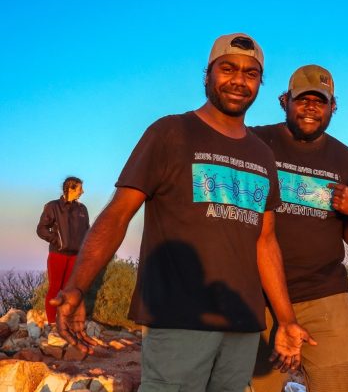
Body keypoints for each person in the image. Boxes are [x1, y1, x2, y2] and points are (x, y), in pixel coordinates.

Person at [50, 33, 314, 391]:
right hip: (178, 317)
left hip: (242, 322)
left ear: (260, 83)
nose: (239, 80)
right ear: (207, 75)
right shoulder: (170, 133)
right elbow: (118, 215)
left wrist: (286, 320)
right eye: (228, 68)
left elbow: (265, 241)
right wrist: (77, 286)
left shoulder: (261, 154)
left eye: (251, 73)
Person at [249, 64, 348, 392]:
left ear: (333, 107)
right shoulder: (256, 142)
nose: (311, 108)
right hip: (260, 295)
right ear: (284, 101)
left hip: (325, 297)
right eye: (302, 100)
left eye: (320, 101)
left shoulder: (347, 161)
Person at [36, 176, 90, 326]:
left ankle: (65, 321)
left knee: (69, 290)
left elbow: (88, 232)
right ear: (71, 188)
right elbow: (41, 229)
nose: (82, 192)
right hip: (58, 254)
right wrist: (57, 240)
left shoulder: (82, 209)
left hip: (75, 256)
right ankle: (53, 323)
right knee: (55, 288)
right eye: (80, 188)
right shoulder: (53, 207)